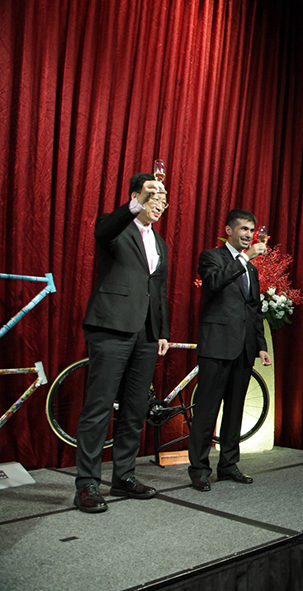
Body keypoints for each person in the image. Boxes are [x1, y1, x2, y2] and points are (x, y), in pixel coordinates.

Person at [73, 172, 170, 513]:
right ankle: (87, 484)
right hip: (111, 326)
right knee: (99, 407)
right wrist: (136, 203)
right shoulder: (115, 227)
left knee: (135, 408)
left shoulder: (160, 243)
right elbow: (103, 231)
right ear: (136, 197)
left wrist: (162, 331)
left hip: (146, 334)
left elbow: (159, 290)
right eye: (153, 197)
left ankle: (124, 476)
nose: (160, 204)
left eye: (163, 200)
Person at [188, 209, 272, 491]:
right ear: (229, 231)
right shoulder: (212, 257)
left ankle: (228, 465)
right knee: (206, 410)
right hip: (217, 345)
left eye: (252, 230)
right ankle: (199, 469)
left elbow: (254, 309)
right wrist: (245, 258)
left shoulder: (252, 270)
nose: (249, 235)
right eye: (243, 229)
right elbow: (213, 282)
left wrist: (261, 346)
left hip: (244, 348)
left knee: (235, 411)